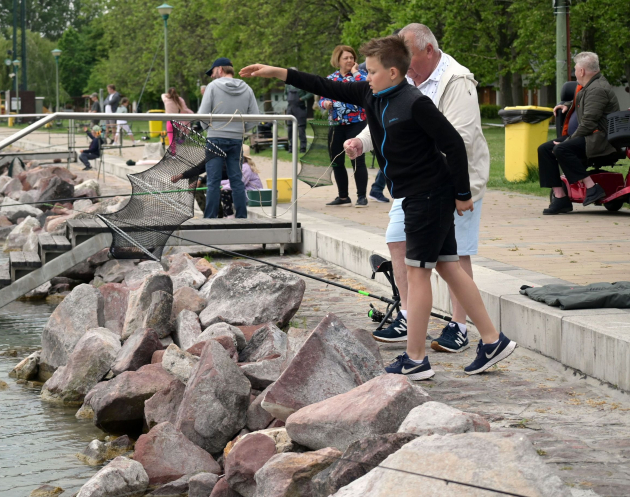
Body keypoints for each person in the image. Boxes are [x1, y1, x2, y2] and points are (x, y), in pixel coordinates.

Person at [240, 34, 515, 380]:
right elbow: (323, 85)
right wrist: (278, 73)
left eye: (370, 71)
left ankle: (415, 359)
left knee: (418, 276)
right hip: (415, 195)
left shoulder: (415, 103)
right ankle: (493, 340)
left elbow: (454, 146)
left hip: (429, 196)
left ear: (394, 73)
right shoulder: (370, 94)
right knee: (448, 267)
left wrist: (463, 194)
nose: (364, 76)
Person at [349, 24, 491, 355]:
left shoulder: (457, 81)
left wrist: (459, 192)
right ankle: (411, 321)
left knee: (454, 257)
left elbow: (460, 139)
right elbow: (387, 118)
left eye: (409, 55)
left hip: (452, 184)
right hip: (411, 184)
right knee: (398, 242)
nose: (402, 63)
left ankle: (458, 327)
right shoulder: (403, 77)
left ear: (428, 51)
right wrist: (362, 140)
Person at [539, 52, 620, 214]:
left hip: (600, 139)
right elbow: (586, 103)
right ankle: (560, 198)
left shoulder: (597, 89)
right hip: (590, 136)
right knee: (545, 149)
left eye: (575, 69)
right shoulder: (590, 86)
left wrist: (568, 140)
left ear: (582, 71)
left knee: (561, 148)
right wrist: (567, 105)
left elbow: (589, 123)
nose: (574, 72)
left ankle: (592, 188)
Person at [199, 57, 260, 219]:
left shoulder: (212, 87)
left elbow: (203, 115)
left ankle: (210, 220)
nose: (211, 76)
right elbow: (255, 116)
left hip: (215, 138)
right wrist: (240, 130)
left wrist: (209, 129)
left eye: (212, 72)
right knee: (236, 180)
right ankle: (241, 217)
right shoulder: (247, 88)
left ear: (220, 70)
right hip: (236, 139)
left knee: (213, 181)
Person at [319, 46, 369, 207]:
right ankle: (343, 197)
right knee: (336, 160)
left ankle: (362, 196)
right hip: (336, 125)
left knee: (357, 160)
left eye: (351, 57)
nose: (349, 60)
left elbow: (366, 89)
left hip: (357, 123)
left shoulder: (361, 76)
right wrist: (324, 103)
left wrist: (355, 73)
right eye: (345, 58)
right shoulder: (331, 78)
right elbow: (321, 99)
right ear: (337, 60)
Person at [220, 144, 264, 217]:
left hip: (252, 194)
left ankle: (229, 215)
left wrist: (225, 187)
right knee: (223, 191)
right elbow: (233, 180)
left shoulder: (245, 168)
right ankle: (225, 214)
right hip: (246, 191)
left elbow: (239, 183)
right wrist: (220, 183)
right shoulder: (241, 166)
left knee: (225, 192)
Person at [285, 71, 313, 153]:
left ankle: (303, 148)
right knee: (290, 129)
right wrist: (287, 98)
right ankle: (291, 148)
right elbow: (285, 94)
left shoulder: (302, 82)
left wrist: (302, 99)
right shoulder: (287, 84)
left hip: (300, 108)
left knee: (301, 129)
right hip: (290, 108)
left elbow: (310, 94)